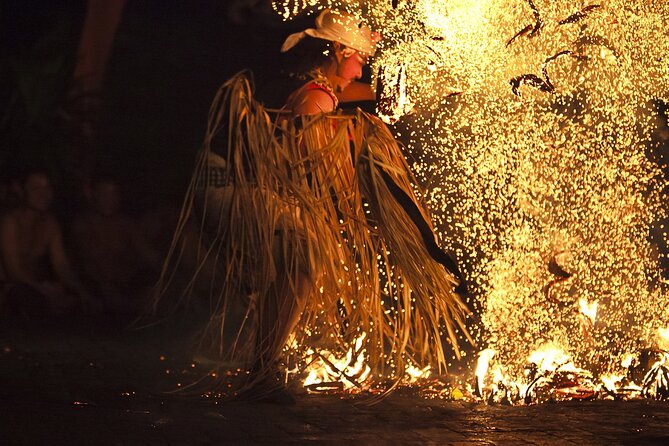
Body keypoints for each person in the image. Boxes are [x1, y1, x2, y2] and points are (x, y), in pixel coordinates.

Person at [155, 9, 469, 404]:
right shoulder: (316, 97)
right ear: (338, 51)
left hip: (231, 182)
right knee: (302, 251)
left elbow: (365, 99)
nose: (361, 68)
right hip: (229, 185)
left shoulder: (320, 88)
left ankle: (259, 360)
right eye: (358, 59)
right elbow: (300, 163)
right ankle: (261, 369)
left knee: (297, 256)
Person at [0, 169, 92, 318]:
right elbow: (13, 270)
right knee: (24, 297)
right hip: (12, 286)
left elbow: (62, 266)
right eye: (35, 188)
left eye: (47, 188)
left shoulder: (50, 223)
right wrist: (46, 292)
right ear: (23, 191)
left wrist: (82, 292)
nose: (43, 194)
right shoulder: (10, 221)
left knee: (77, 296)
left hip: (36, 285)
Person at [71, 175, 161, 314]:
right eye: (104, 194)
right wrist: (105, 286)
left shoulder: (126, 223)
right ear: (94, 195)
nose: (109, 200)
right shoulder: (83, 223)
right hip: (98, 286)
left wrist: (168, 272)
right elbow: (92, 261)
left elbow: (148, 253)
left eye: (114, 194)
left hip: (127, 283)